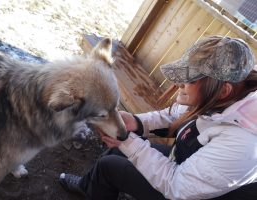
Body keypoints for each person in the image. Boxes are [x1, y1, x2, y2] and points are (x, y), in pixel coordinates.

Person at [58, 36, 257, 200]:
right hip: (192, 166)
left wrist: (130, 144)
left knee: (108, 167)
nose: (179, 82)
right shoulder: (225, 99)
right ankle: (89, 187)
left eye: (189, 78)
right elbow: (174, 117)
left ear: (222, 91)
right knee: (116, 152)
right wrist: (137, 123)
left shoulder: (243, 144)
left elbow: (178, 187)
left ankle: (98, 185)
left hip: (190, 191)